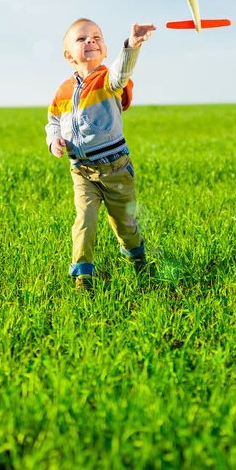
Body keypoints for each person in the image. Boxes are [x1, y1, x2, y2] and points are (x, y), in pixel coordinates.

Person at [45, 18, 156, 290]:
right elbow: (53, 120)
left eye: (96, 37)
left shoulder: (108, 80)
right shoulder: (63, 91)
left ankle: (137, 259)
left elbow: (122, 71)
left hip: (115, 168)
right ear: (69, 55)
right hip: (82, 171)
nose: (90, 42)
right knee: (84, 221)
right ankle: (83, 275)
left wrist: (131, 45)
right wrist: (53, 139)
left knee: (124, 224)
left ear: (105, 49)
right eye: (81, 39)